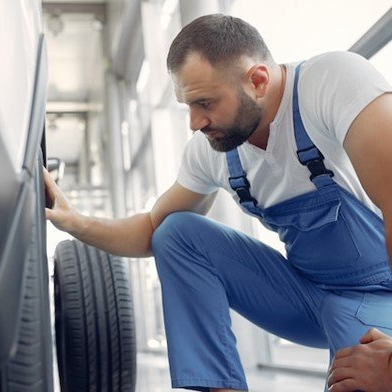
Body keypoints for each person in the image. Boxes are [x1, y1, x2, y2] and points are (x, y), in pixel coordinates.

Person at [44, 13, 392, 392]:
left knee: (360, 381)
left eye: (205, 103)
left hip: (379, 298)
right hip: (305, 297)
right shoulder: (213, 151)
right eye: (188, 105)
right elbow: (149, 229)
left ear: (257, 81)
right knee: (176, 232)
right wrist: (73, 220)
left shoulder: (331, 82)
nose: (194, 122)